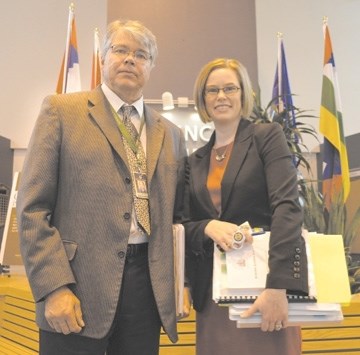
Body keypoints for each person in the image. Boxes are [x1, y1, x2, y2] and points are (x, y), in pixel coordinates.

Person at [16, 19, 186, 355]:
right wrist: (54, 287)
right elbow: (33, 208)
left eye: (140, 54)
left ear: (150, 66)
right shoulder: (61, 112)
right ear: (104, 57)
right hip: (77, 283)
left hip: (146, 289)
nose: (129, 59)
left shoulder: (170, 134)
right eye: (120, 50)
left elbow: (177, 216)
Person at [183, 58, 309, 355]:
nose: (221, 96)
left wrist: (278, 287)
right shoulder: (194, 161)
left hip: (264, 289)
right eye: (212, 90)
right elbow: (182, 224)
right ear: (203, 99)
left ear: (243, 94)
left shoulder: (266, 137)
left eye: (230, 88)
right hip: (215, 297)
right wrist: (207, 226)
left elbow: (287, 208)